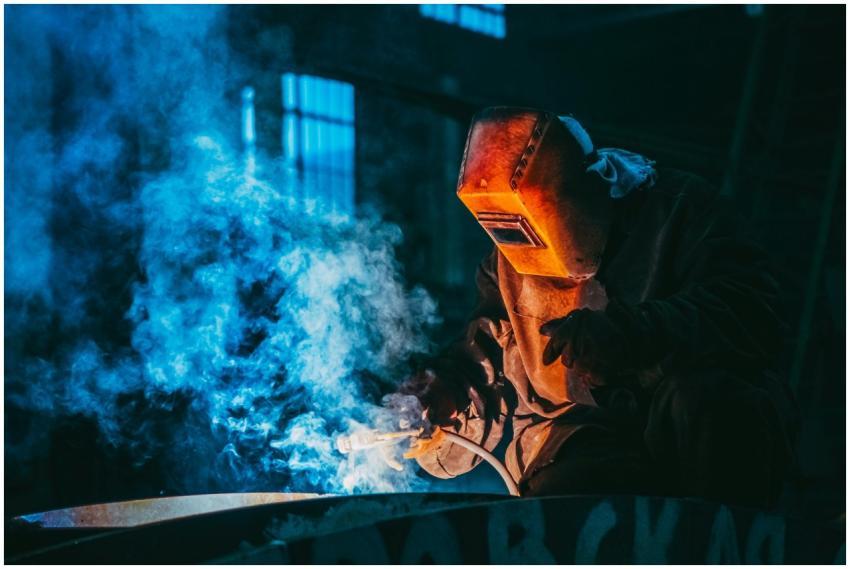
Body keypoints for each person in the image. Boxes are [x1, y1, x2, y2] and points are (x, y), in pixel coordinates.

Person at [401, 106, 797, 509]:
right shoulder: (507, 260)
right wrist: (445, 397)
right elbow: (487, 364)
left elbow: (754, 310)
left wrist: (636, 334)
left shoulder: (680, 211)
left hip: (687, 430)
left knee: (707, 404)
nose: (531, 254)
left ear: (585, 189)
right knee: (565, 502)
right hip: (584, 437)